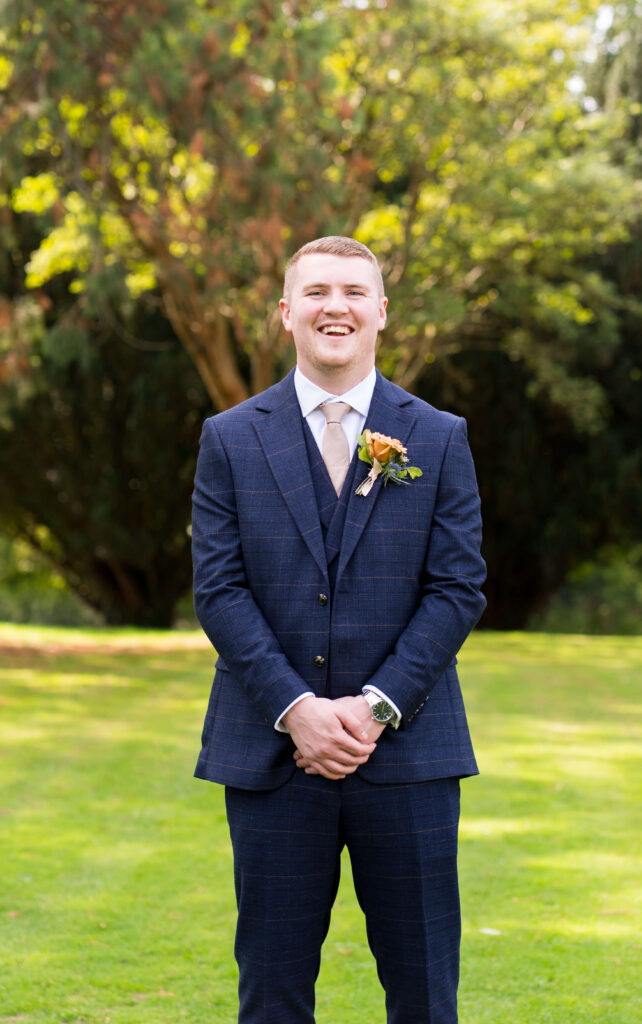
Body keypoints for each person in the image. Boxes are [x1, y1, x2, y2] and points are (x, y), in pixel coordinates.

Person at [192, 236, 486, 1024]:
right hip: (271, 756)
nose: (335, 307)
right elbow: (218, 590)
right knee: (272, 995)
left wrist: (373, 705)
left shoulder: (437, 436)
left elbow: (457, 589)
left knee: (425, 995)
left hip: (410, 754)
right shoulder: (228, 438)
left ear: (381, 313)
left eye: (354, 292)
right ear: (286, 313)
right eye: (316, 292)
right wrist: (298, 708)